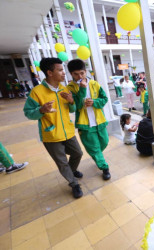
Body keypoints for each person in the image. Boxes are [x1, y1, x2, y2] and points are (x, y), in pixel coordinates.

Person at [24, 57, 84, 198]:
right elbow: (28, 113)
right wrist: (41, 110)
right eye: (60, 70)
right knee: (62, 162)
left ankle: (72, 171)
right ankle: (74, 183)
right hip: (51, 135)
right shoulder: (36, 92)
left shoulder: (64, 88)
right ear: (50, 73)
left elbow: (73, 109)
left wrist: (71, 101)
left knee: (78, 153)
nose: (64, 73)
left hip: (68, 132)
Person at [66, 59, 111, 181]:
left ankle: (96, 155)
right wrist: (81, 89)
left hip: (99, 120)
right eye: (76, 74)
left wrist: (95, 102)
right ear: (71, 74)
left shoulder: (94, 84)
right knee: (94, 147)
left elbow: (104, 98)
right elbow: (76, 106)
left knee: (104, 142)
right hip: (85, 124)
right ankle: (104, 167)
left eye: (82, 73)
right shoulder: (69, 88)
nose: (79, 76)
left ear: (85, 71)